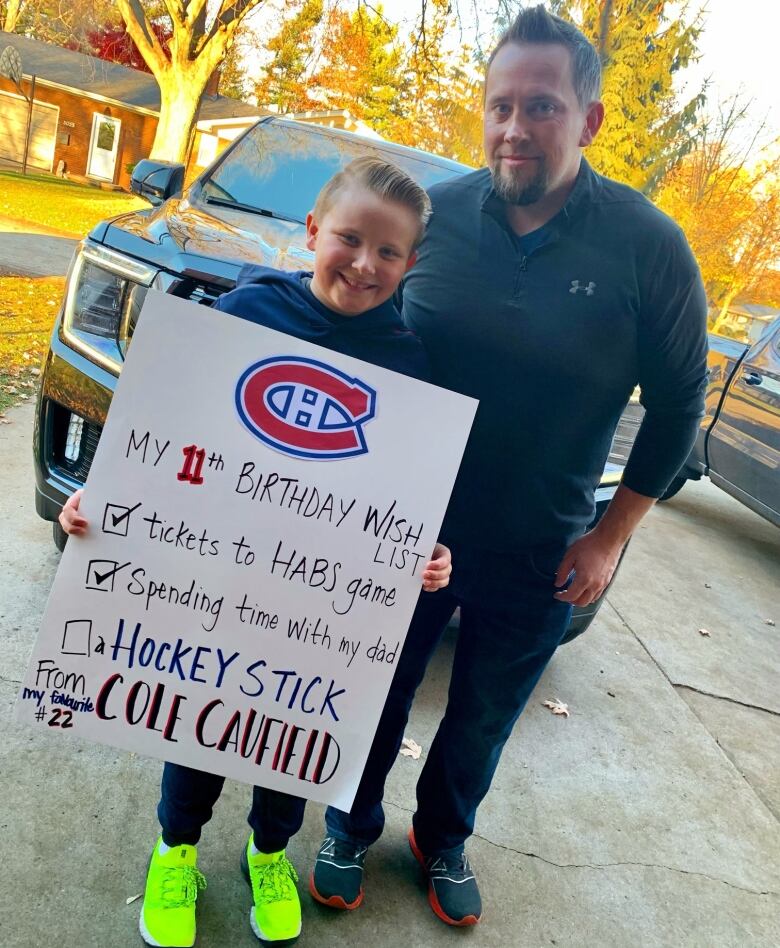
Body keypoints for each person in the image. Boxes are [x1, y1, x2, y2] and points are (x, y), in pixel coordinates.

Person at [312, 4, 709, 929]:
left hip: (545, 543)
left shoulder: (650, 249)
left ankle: (441, 836)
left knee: (484, 715)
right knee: (375, 686)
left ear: (590, 119)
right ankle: (348, 821)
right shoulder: (432, 219)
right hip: (406, 529)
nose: (514, 128)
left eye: (541, 107)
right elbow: (353, 333)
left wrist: (612, 536)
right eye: (499, 105)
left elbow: (681, 405)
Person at [58, 156, 453, 948]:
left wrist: (422, 556)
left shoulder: (409, 366)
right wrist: (103, 502)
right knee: (196, 712)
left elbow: (407, 494)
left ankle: (268, 850)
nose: (365, 264)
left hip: (316, 604)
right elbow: (167, 432)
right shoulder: (245, 313)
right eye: (349, 238)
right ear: (313, 232)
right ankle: (175, 849)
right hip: (219, 578)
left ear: (410, 264)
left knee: (294, 733)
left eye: (389, 253)